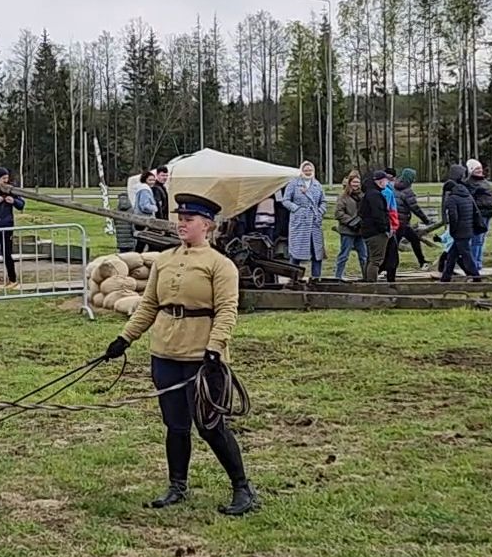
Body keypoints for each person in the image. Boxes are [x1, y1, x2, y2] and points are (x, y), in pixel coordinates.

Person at [103, 192, 258, 516]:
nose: (181, 223)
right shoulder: (165, 260)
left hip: (202, 358)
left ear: (207, 225)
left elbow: (228, 310)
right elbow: (148, 305)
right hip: (165, 352)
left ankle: (242, 488)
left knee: (210, 425)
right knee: (175, 425)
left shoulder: (220, 265)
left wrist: (214, 349)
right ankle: (177, 486)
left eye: (189, 219)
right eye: (180, 218)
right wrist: (124, 339)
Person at [279, 161, 328, 280]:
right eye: (305, 170)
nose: (308, 172)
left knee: (317, 252)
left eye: (310, 170)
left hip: (314, 223)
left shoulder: (317, 185)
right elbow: (285, 200)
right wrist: (296, 209)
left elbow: (323, 201)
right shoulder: (294, 184)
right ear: (301, 171)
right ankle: (294, 277)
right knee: (296, 251)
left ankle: (316, 278)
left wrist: (320, 211)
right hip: (299, 222)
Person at [438, 164, 482, 282]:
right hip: (468, 229)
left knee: (466, 255)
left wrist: (452, 231)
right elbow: (474, 211)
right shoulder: (466, 194)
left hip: (459, 231)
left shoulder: (453, 198)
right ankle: (445, 277)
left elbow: (453, 217)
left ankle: (476, 276)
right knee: (452, 255)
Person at [359, 169, 401, 283]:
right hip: (376, 232)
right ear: (380, 181)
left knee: (370, 258)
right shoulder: (375, 195)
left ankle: (367, 281)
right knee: (376, 260)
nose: (387, 183)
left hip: (368, 231)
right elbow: (379, 214)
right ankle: (372, 285)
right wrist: (386, 229)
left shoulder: (369, 193)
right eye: (385, 181)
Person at [393, 168, 432, 269]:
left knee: (413, 240)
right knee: (397, 245)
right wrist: (426, 220)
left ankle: (422, 261)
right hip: (402, 223)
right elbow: (415, 208)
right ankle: (387, 267)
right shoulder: (407, 191)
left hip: (396, 221)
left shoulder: (395, 187)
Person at [332, 171, 367, 281]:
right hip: (347, 230)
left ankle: (366, 276)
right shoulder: (343, 196)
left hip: (360, 231)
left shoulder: (363, 196)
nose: (356, 184)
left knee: (364, 255)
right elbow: (338, 213)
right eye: (354, 182)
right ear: (350, 182)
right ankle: (338, 276)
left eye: (358, 182)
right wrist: (351, 222)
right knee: (344, 255)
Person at [466, 158, 492, 269]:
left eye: (480, 168)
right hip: (479, 214)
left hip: (488, 213)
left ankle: (479, 262)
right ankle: (475, 264)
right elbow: (471, 198)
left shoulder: (484, 181)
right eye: (476, 169)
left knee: (482, 240)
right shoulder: (470, 183)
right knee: (477, 240)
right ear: (471, 170)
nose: (479, 170)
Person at [131, 172, 160, 252]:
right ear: (145, 180)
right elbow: (144, 206)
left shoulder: (142, 189)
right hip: (144, 219)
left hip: (140, 218)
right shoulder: (145, 190)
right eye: (150, 180)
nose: (152, 182)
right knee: (144, 241)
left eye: (153, 180)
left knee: (142, 242)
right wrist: (155, 208)